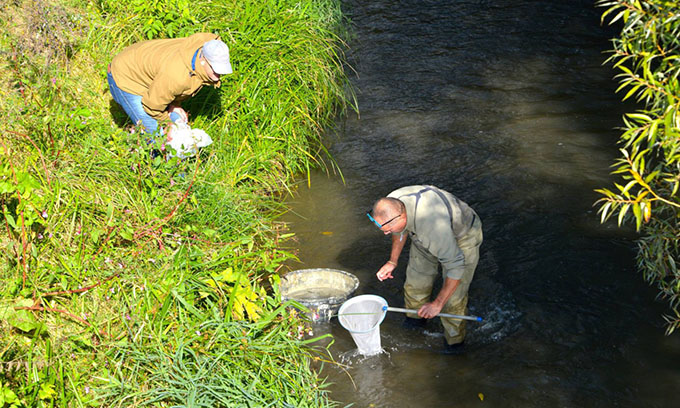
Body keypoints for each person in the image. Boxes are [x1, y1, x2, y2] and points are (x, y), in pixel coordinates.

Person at [368, 185, 483, 353]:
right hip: (421, 237)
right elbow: (399, 232)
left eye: (388, 230)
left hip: (462, 236)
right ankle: (416, 321)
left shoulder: (432, 228)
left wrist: (437, 304)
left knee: (452, 301)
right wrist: (392, 262)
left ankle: (454, 343)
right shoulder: (391, 203)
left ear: (401, 218)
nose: (386, 234)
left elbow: (456, 266)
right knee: (415, 284)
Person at [107, 32, 232, 140]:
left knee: (178, 118)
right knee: (156, 134)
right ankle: (155, 163)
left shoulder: (210, 45)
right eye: (215, 69)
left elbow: (171, 87)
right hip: (125, 77)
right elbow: (151, 105)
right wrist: (167, 124)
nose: (218, 75)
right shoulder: (177, 76)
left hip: (146, 67)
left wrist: (174, 105)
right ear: (203, 60)